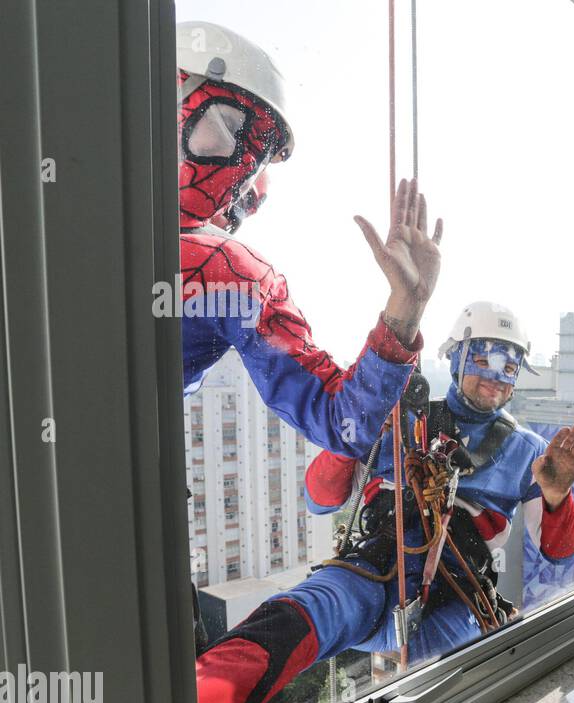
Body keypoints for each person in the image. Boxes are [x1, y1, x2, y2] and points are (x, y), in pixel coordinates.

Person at [194, 302, 574, 703]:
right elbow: (320, 500)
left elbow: (560, 551)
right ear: (457, 358)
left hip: (457, 594)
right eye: (483, 359)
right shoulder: (400, 418)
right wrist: (351, 438)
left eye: (510, 366)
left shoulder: (530, 454)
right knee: (302, 614)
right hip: (374, 570)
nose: (496, 375)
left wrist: (557, 495)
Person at [176, 20, 441, 459]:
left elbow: (342, 422)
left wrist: (406, 309)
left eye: (254, 156)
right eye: (227, 126)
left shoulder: (232, 277)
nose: (238, 166)